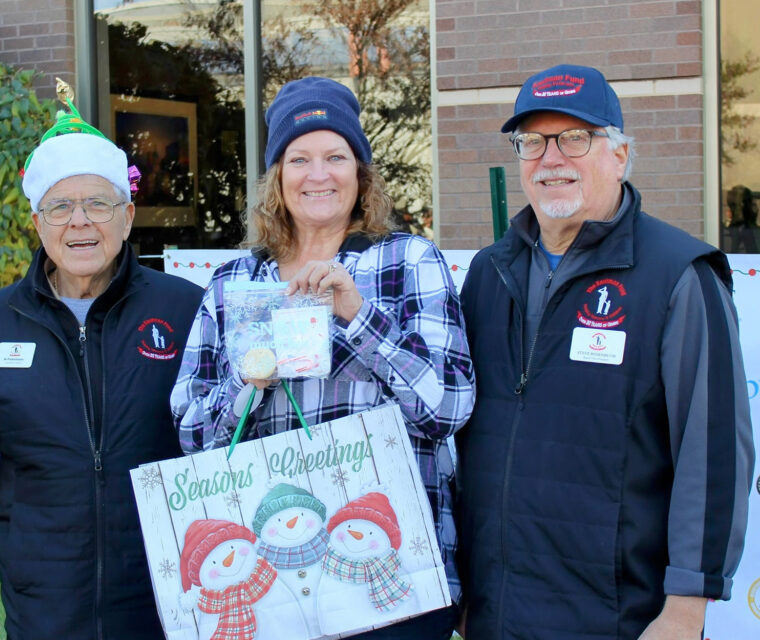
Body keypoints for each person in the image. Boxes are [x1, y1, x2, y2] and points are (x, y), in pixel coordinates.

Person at [0, 89, 204, 638]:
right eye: (60, 206)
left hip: (167, 586)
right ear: (37, 222)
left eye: (98, 204)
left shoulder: (184, 308)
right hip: (44, 594)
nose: (80, 222)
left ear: (126, 217)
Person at [455, 64, 755, 640]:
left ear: (619, 155)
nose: (552, 159)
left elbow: (713, 452)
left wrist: (685, 610)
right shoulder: (487, 274)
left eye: (575, 138)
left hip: (620, 619)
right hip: (496, 614)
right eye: (533, 142)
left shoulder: (679, 276)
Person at [171, 76, 476, 640]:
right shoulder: (234, 284)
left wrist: (357, 316)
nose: (318, 174)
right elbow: (191, 434)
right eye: (299, 158)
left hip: (393, 570)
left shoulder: (408, 261)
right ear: (277, 178)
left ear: (360, 174)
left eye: (336, 156)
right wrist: (250, 377)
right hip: (270, 583)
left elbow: (448, 408)